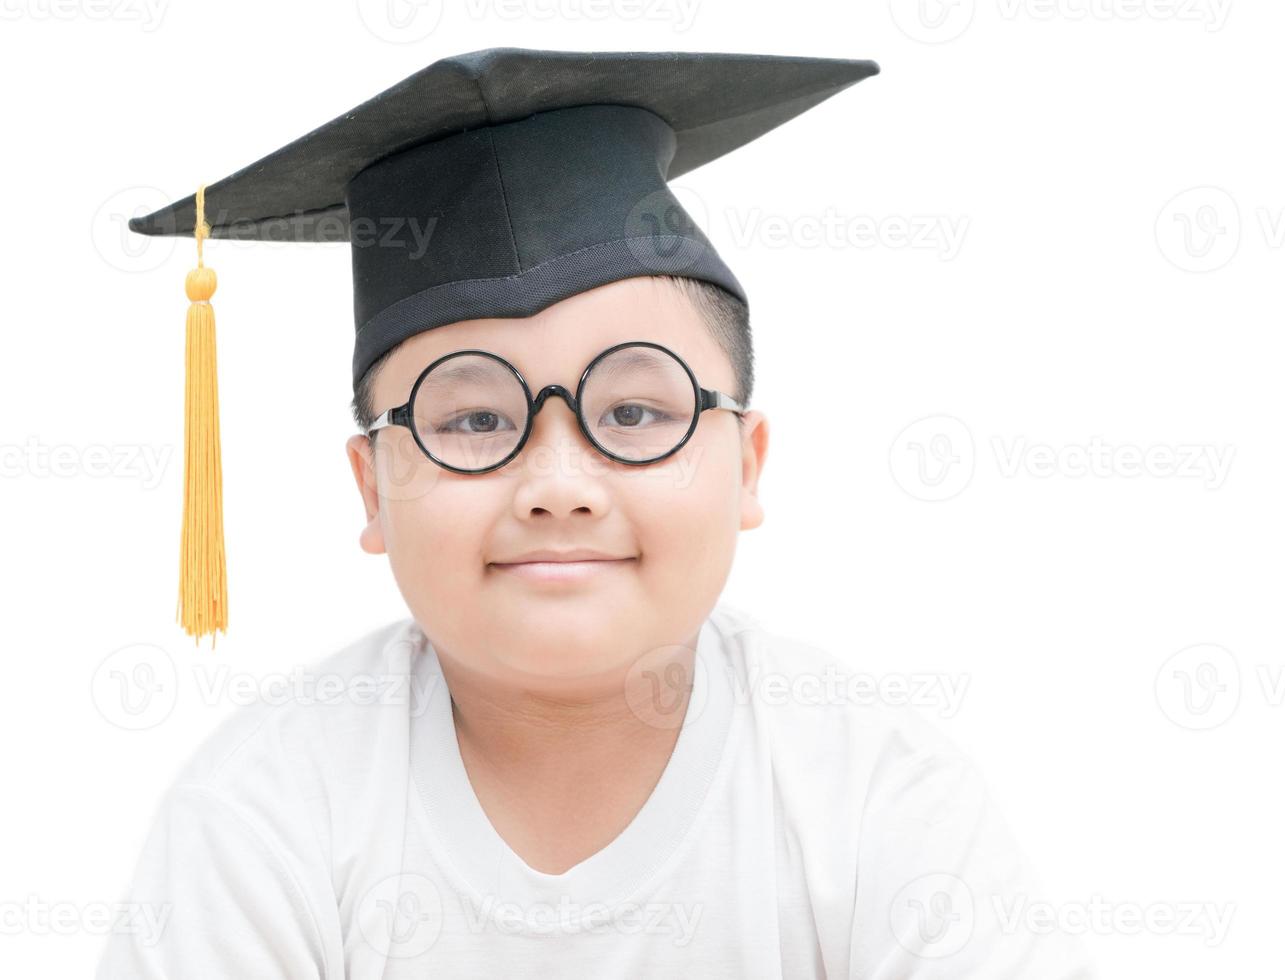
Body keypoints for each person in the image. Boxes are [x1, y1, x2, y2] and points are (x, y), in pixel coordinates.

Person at [98, 48, 1090, 978]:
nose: (558, 480)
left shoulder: (877, 800)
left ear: (745, 466)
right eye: (476, 417)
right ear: (371, 489)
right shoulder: (260, 818)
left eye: (632, 410)